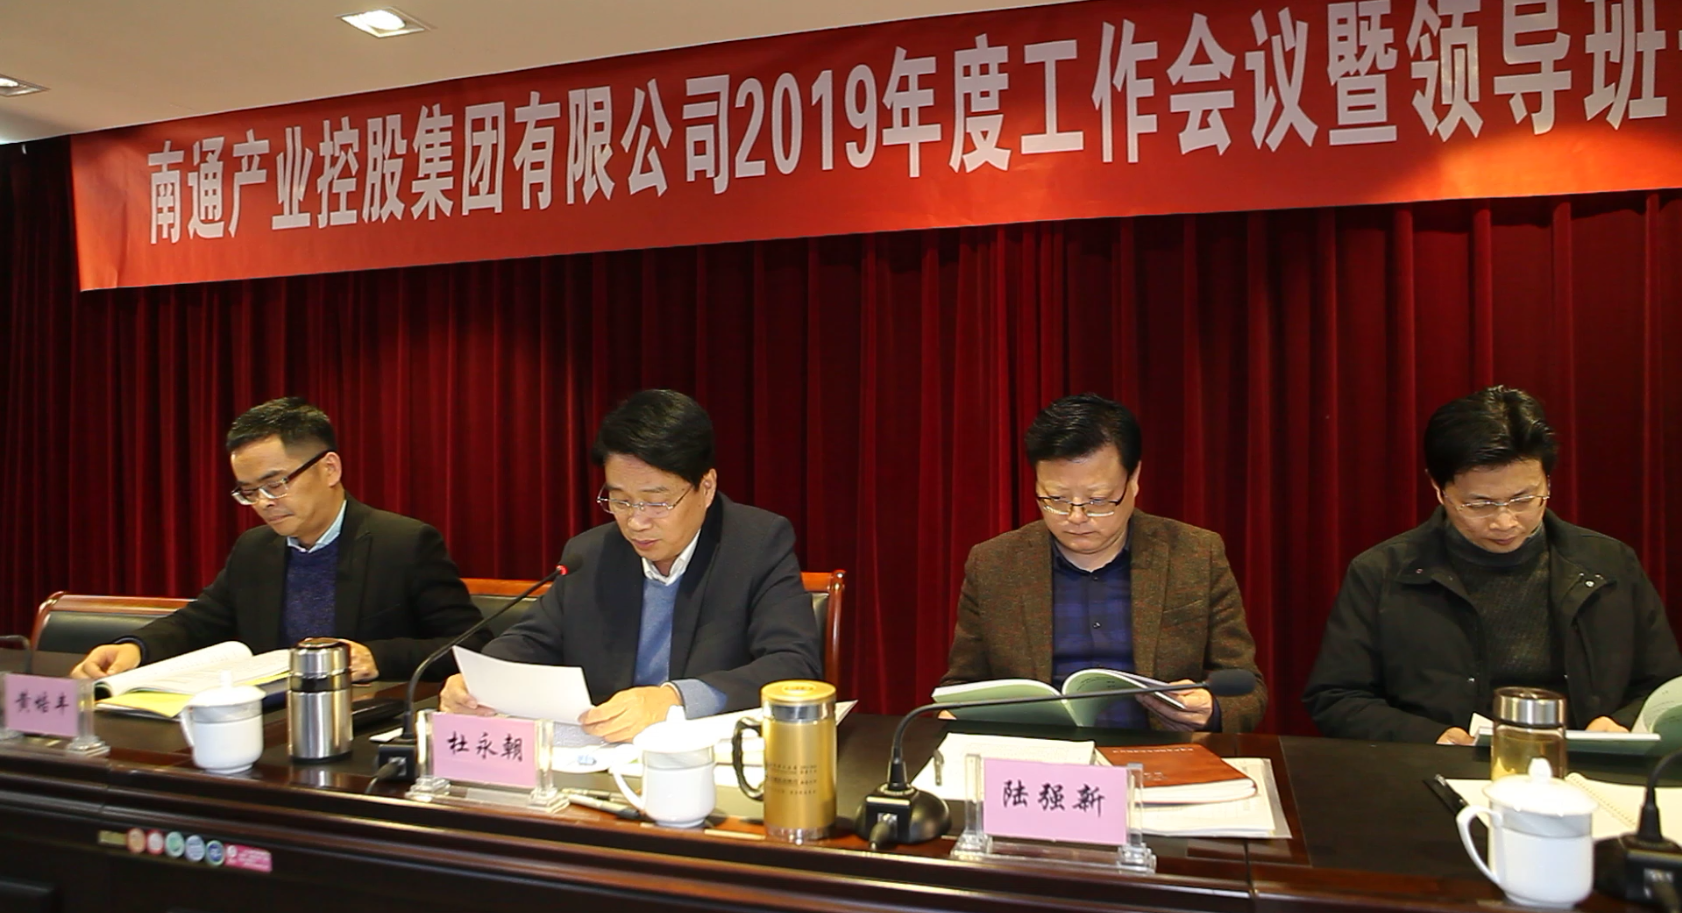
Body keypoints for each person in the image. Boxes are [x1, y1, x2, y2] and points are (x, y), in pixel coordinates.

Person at [1303, 386, 1682, 743]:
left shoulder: (1609, 564)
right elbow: (1336, 697)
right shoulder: (1382, 572)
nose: (1504, 522)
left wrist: (1621, 724)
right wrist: (1429, 737)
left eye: (1523, 499)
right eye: (1479, 504)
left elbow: (1665, 688)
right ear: (1438, 489)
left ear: (1547, 481)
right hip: (1436, 769)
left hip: (1586, 770)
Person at [441, 389, 821, 742]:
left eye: (656, 502)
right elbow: (532, 641)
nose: (636, 521)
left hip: (704, 759)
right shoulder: (590, 554)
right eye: (620, 500)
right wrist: (477, 682)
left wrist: (673, 699)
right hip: (602, 755)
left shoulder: (755, 544)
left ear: (706, 488)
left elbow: (793, 664)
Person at [70, 397, 486, 683]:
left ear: (330, 468)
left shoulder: (404, 544)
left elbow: (472, 646)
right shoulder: (255, 549)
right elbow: (197, 622)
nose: (263, 503)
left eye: (275, 484)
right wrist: (136, 648)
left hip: (362, 725)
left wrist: (378, 657)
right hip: (266, 724)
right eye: (249, 491)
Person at [940, 393, 1267, 731]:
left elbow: (1247, 690)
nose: (1076, 517)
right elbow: (961, 686)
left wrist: (1212, 710)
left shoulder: (1196, 554)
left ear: (1133, 478)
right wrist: (955, 713)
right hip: (1039, 756)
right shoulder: (993, 564)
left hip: (1161, 756)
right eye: (1056, 499)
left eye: (1097, 500)